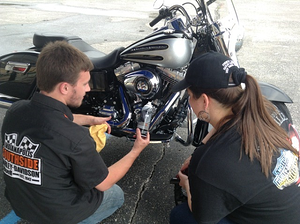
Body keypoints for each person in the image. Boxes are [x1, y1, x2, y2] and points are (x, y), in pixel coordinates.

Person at [1, 41, 150, 224]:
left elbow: (54, 119)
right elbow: (104, 182)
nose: (88, 89)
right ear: (65, 88)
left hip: (21, 205)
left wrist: (90, 119)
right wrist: (136, 150)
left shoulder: (15, 111)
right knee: (115, 194)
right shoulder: (75, 137)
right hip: (59, 214)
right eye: (85, 83)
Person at [169, 51, 300, 224]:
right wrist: (197, 154)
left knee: (181, 216)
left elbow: (203, 216)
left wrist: (187, 184)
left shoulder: (214, 162)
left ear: (204, 101)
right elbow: (224, 125)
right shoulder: (268, 107)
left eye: (190, 96)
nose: (190, 102)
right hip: (291, 206)